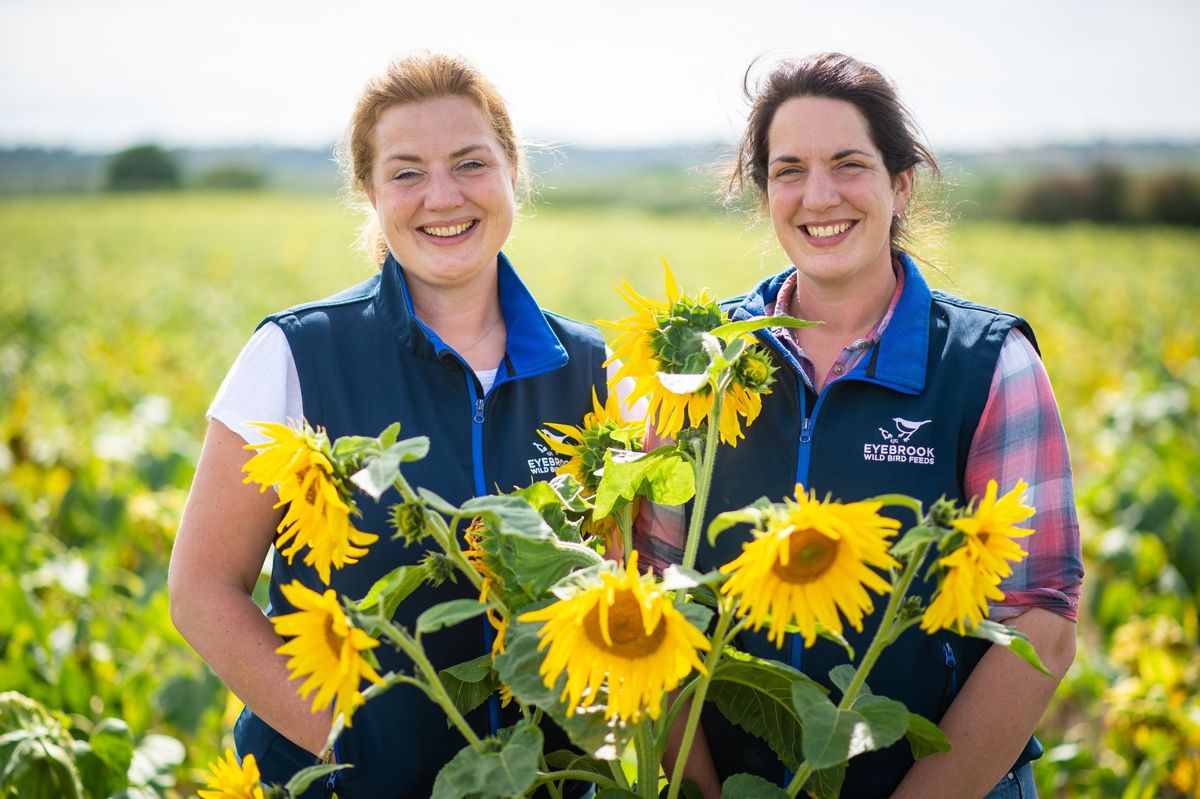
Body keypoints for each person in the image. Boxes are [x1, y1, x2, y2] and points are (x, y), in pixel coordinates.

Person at [634, 52, 1083, 798]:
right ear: (764, 192)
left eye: (848, 164)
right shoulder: (706, 363)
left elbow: (1040, 623)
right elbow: (655, 590)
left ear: (899, 183)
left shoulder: (984, 364)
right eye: (788, 170)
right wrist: (701, 790)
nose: (818, 196)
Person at [168, 52, 607, 799]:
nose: (442, 196)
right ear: (369, 192)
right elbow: (203, 586)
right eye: (406, 172)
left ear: (512, 174)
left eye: (470, 163)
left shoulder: (591, 370)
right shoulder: (298, 353)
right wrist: (352, 748)